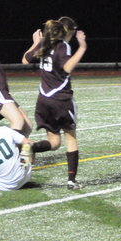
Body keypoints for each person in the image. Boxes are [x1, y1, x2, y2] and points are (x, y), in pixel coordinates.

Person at [22, 16, 87, 190]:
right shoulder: (63, 45)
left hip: (43, 101)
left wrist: (36, 43)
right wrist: (82, 47)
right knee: (70, 137)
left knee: (54, 142)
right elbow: (67, 68)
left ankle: (31, 147)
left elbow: (25, 60)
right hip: (61, 100)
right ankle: (71, 181)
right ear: (69, 32)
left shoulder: (45, 44)